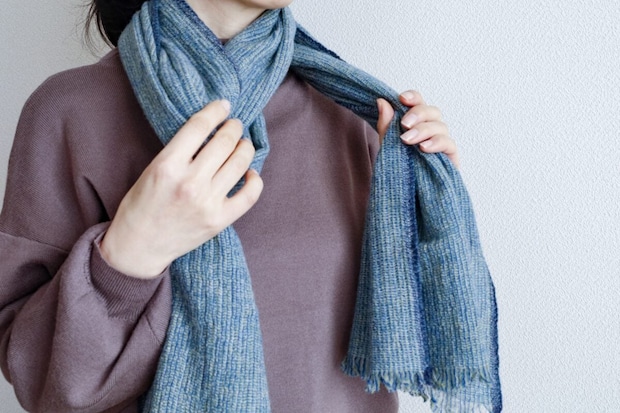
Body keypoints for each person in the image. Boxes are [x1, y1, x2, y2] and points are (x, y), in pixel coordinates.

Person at [0, 0, 461, 412]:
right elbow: (45, 384)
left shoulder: (350, 108)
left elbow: (399, 339)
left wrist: (426, 210)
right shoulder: (70, 112)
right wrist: (131, 253)